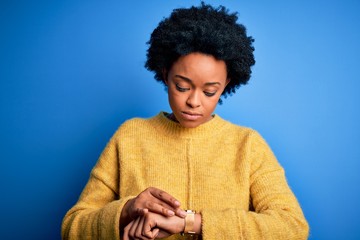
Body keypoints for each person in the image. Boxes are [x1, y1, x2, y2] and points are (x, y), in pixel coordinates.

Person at [62, 2, 309, 239]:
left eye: (210, 91)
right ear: (164, 74)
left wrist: (190, 223)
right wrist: (126, 212)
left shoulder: (248, 145)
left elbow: (292, 227)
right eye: (182, 86)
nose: (194, 101)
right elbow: (72, 227)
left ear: (226, 85)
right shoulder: (129, 136)